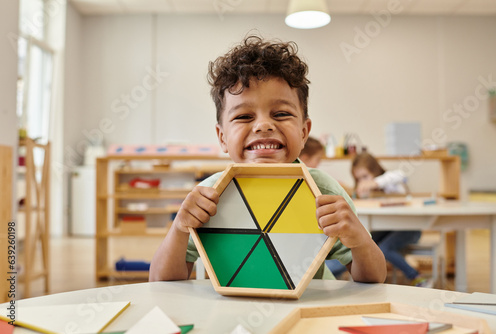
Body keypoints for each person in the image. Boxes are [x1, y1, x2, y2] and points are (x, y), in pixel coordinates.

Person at [149, 35, 386, 284]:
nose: (263, 125)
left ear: (304, 132)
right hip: (229, 317)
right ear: (222, 137)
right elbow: (160, 282)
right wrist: (178, 228)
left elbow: (374, 279)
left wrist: (359, 240)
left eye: (281, 113)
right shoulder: (209, 195)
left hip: (305, 314)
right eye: (243, 116)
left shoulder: (322, 191)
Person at [350, 152, 432, 288]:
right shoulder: (370, 192)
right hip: (389, 231)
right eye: (359, 179)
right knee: (366, 242)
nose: (363, 182)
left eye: (365, 176)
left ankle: (417, 277)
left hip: (410, 229)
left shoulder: (391, 184)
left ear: (374, 171)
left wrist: (374, 182)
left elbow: (401, 175)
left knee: (384, 248)